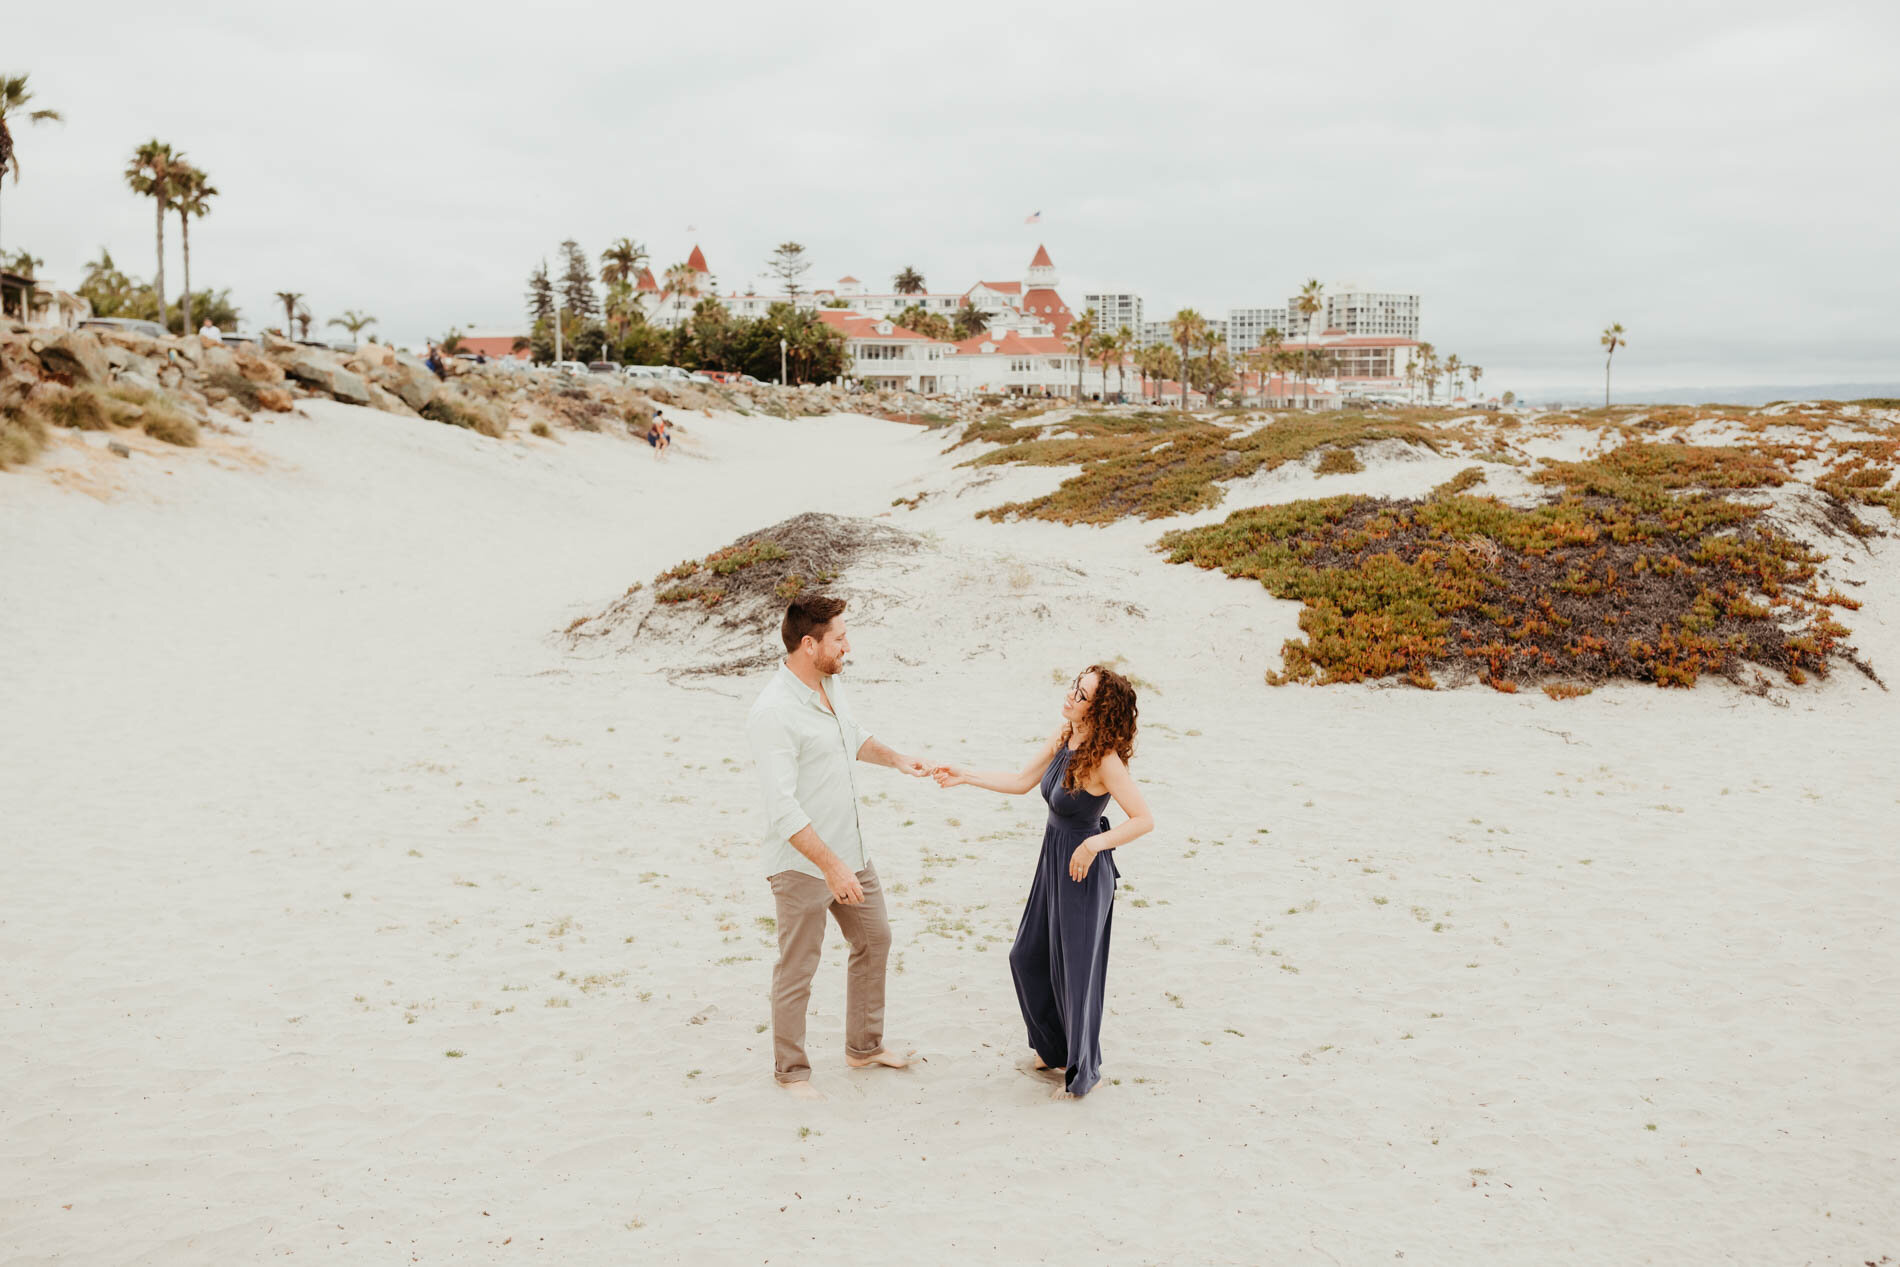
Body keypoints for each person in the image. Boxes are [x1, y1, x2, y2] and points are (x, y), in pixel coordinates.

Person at [934, 665, 1152, 1098]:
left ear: (1100, 708)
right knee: (1026, 956)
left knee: (1077, 973)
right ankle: (1053, 1050)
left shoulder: (1105, 760)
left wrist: (1094, 846)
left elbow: (1144, 819)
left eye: (1082, 694)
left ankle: (1081, 1072)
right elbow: (1020, 781)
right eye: (1074, 686)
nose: (1071, 696)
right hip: (1052, 860)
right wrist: (965, 775)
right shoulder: (1064, 735)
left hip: (1082, 869)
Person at [746, 594, 933, 1100]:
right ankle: (792, 1072)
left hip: (853, 853)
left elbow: (850, 736)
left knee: (875, 939)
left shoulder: (830, 684)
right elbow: (782, 810)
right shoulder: (773, 714)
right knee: (798, 968)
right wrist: (830, 867)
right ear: (810, 645)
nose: (848, 646)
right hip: (804, 866)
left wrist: (897, 759)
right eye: (839, 638)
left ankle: (864, 1048)